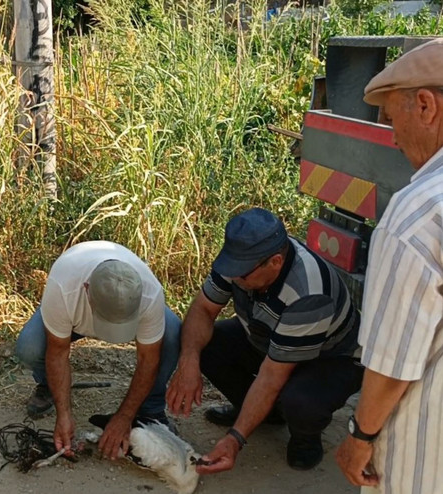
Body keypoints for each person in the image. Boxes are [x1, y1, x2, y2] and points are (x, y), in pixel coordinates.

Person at [166, 207, 363, 473]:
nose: (235, 277)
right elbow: (202, 310)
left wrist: (235, 439)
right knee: (204, 346)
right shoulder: (242, 260)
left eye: (242, 274)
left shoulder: (308, 292)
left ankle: (305, 437)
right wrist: (189, 360)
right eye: (231, 269)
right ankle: (265, 416)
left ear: (276, 262)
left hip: (329, 358)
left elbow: (271, 377)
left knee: (300, 401)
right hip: (271, 337)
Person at [335, 39, 443, 494]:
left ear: (425, 105)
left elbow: (394, 360)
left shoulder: (415, 215)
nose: (391, 136)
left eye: (391, 118)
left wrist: (360, 437)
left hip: (427, 446)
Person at [14, 240, 181, 460]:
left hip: (121, 309)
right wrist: (64, 415)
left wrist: (124, 417)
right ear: (87, 290)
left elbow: (148, 359)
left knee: (173, 334)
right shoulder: (64, 285)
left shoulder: (150, 293)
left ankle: (151, 409)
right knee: (29, 347)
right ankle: (49, 386)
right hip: (72, 316)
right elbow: (58, 353)